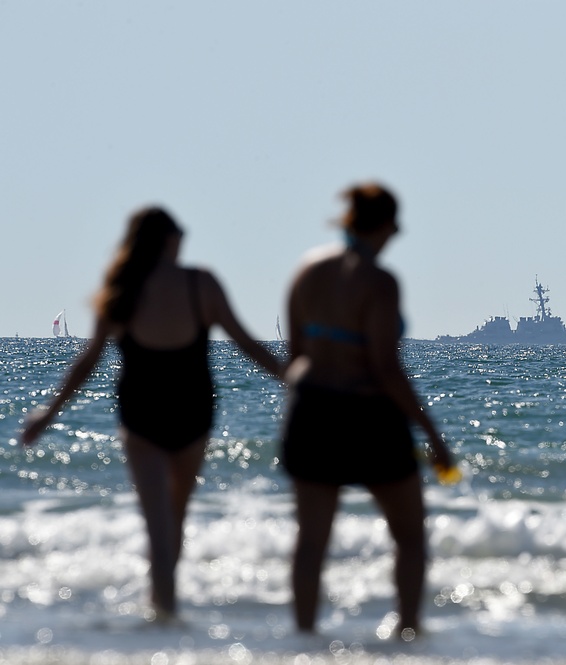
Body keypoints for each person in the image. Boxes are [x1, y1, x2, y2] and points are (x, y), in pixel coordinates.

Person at [21, 206, 283, 619]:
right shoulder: (201, 284)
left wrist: (47, 414)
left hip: (141, 415)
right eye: (180, 234)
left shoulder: (122, 288)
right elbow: (247, 345)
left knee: (158, 524)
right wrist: (294, 378)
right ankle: (166, 608)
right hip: (192, 413)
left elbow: (87, 362)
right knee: (174, 520)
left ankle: (162, 610)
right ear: (168, 239)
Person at [282, 182, 453, 639]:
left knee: (311, 542)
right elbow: (385, 366)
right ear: (389, 224)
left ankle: (304, 638)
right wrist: (433, 435)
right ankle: (407, 631)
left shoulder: (307, 271)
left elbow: (296, 353)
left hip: (312, 410)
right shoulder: (380, 282)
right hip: (369, 415)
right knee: (410, 536)